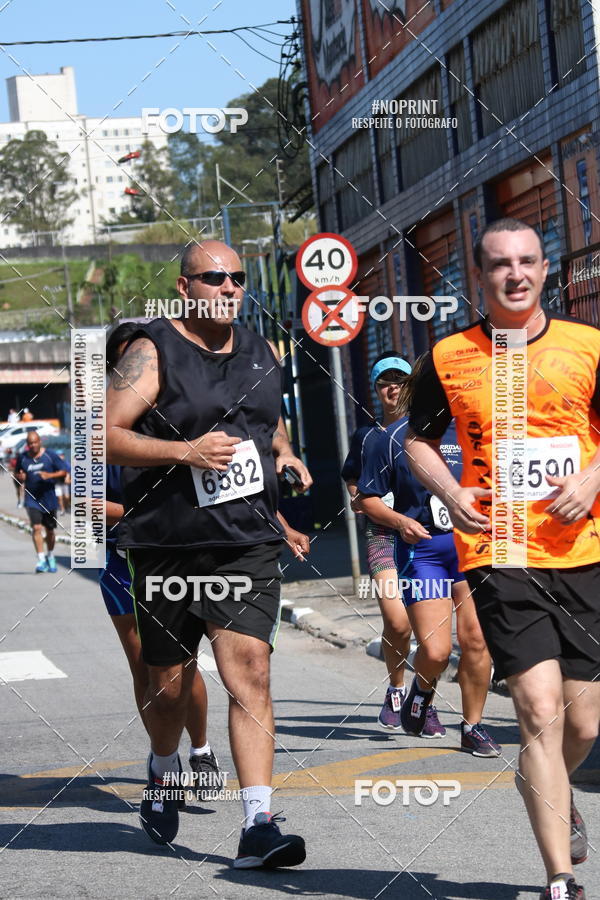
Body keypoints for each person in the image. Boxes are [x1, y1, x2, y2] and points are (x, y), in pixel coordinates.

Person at [406, 217, 600, 900]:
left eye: (527, 261)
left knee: (584, 720)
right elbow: (417, 439)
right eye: (499, 264)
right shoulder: (448, 355)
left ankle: (546, 783)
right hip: (501, 550)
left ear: (545, 269)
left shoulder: (588, 345)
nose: (515, 274)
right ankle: (560, 879)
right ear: (479, 276)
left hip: (583, 550)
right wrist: (450, 490)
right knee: (539, 710)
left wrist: (593, 478)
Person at [106, 240, 312, 868]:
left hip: (245, 543)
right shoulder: (151, 350)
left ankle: (258, 824)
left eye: (237, 278)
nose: (228, 288)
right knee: (169, 689)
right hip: (168, 547)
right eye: (214, 278)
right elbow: (102, 434)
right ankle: (162, 767)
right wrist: (184, 452)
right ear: (185, 286)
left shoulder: (262, 349)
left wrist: (284, 453)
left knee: (250, 671)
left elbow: (266, 420)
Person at [354, 358, 500, 756]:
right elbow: (366, 499)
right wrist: (401, 521)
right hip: (424, 553)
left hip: (472, 549)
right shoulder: (390, 438)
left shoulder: (473, 430)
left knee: (476, 640)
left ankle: (472, 726)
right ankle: (420, 691)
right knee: (435, 652)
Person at [102, 322, 221, 798]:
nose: (134, 368)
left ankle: (201, 749)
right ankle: (164, 762)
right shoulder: (100, 426)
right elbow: (86, 503)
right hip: (121, 561)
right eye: (125, 361)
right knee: (145, 668)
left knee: (183, 663)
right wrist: (136, 515)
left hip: (175, 556)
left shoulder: (180, 415)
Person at [342, 353, 415, 733]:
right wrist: (358, 497)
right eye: (385, 383)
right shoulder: (365, 436)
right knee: (398, 622)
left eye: (399, 382)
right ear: (375, 389)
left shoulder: (423, 432)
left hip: (424, 536)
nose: (393, 389)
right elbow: (352, 477)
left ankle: (424, 700)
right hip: (383, 535)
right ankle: (397, 689)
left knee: (432, 631)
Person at [15, 429, 66, 573]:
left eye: (35, 442)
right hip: (32, 499)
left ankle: (50, 555)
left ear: (39, 442)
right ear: (27, 444)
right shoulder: (23, 458)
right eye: (30, 444)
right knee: (36, 528)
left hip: (49, 499)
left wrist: (49, 475)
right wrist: (20, 477)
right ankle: (41, 559)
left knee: (50, 531)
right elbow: (17, 473)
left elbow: (63, 471)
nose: (32, 446)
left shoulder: (50, 455)